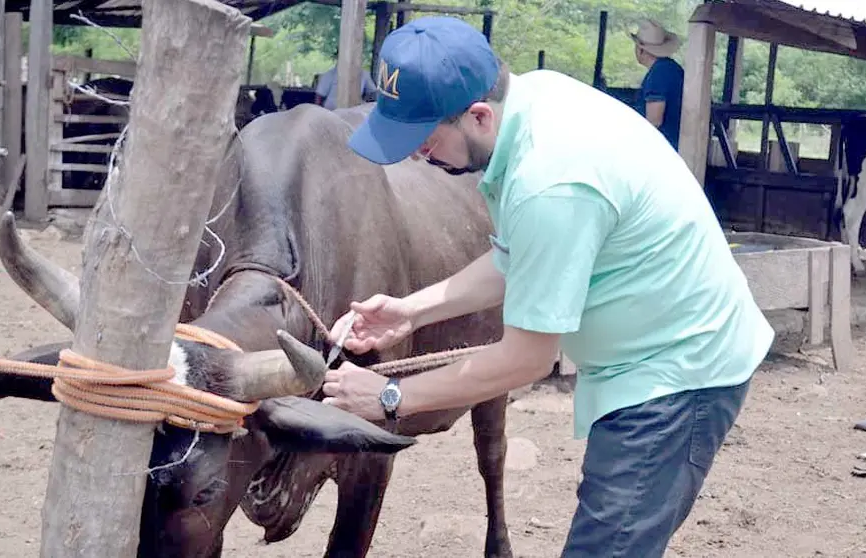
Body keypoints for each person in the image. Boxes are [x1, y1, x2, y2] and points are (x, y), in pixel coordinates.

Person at [321, 15, 774, 558]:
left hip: (676, 375)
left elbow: (527, 360)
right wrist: (411, 312)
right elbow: (517, 257)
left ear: (479, 116)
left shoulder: (550, 182)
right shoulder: (533, 100)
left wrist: (391, 397)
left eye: (424, 139)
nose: (417, 155)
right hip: (644, 355)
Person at [631, 19, 685, 150]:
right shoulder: (671, 68)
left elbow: (654, 121)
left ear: (641, 50)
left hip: (663, 148)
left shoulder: (658, 73)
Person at [314, 49, 379, 110]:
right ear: (338, 57)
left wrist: (364, 102)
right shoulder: (329, 75)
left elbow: (372, 92)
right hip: (332, 113)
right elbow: (319, 96)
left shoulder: (364, 74)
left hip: (355, 112)